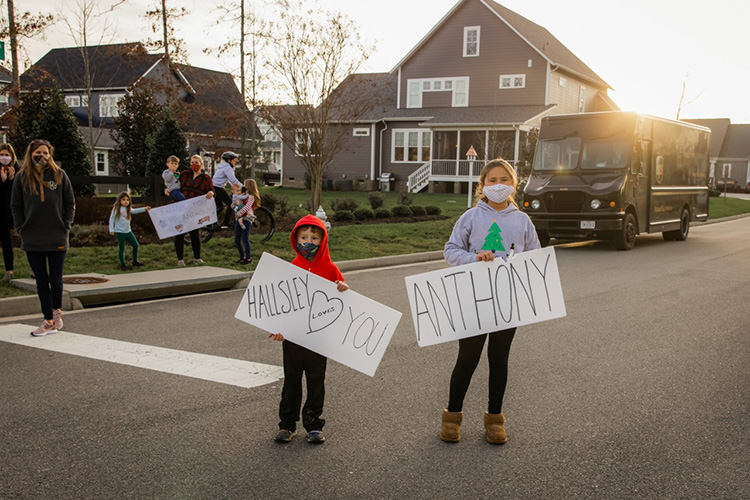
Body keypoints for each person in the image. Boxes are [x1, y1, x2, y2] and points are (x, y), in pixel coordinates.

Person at [440, 158, 541, 444]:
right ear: (482, 185)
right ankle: (452, 417)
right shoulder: (471, 217)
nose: (499, 185)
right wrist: (474, 258)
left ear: (514, 185)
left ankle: (494, 419)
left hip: (508, 302)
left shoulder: (522, 220)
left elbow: (535, 255)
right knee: (467, 359)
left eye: (504, 179)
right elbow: (451, 250)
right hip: (473, 299)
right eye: (492, 180)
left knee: (499, 360)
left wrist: (520, 265)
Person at [268, 215, 349, 444]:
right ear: (296, 239)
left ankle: (314, 423)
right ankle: (287, 425)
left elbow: (342, 300)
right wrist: (278, 328)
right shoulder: (291, 268)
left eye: (314, 237)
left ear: (323, 240)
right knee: (291, 380)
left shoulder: (331, 270)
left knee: (316, 381)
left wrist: (342, 287)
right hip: (293, 337)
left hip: (319, 338)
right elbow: (282, 303)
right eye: (303, 237)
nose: (309, 242)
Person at [10, 139, 75, 337]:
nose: (42, 156)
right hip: (32, 237)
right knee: (41, 280)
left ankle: (56, 312)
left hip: (56, 235)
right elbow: (16, 205)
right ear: (31, 154)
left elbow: (70, 202)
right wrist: (21, 226)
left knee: (55, 280)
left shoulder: (59, 175)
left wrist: (66, 224)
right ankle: (47, 320)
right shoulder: (22, 178)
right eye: (38, 152)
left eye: (45, 152)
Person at [174, 154, 214, 267]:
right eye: (192, 162)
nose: (194, 165)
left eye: (197, 162)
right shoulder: (184, 175)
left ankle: (197, 258)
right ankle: (180, 260)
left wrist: (211, 193)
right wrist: (168, 190)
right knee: (179, 234)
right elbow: (174, 186)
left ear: (201, 164)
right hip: (182, 208)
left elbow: (211, 190)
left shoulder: (206, 179)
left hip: (195, 210)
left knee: (194, 234)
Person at [109, 192, 150, 271]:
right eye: (123, 200)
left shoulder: (128, 209)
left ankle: (135, 261)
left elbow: (135, 211)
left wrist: (144, 209)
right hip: (119, 232)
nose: (126, 201)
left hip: (128, 231)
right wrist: (111, 229)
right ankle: (123, 264)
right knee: (122, 248)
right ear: (120, 200)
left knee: (135, 245)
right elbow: (111, 219)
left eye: (127, 200)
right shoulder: (116, 209)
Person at [0, 143, 18, 281]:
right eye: (2, 155)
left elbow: (17, 193)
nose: (4, 157)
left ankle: (9, 270)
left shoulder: (17, 171)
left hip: (11, 212)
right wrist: (2, 180)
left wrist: (11, 180)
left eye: (7, 155)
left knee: (8, 242)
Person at [233, 179, 260, 265]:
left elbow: (247, 207)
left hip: (246, 219)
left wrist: (239, 213)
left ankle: (248, 258)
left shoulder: (251, 197)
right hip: (239, 219)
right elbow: (237, 203)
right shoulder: (242, 195)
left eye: (245, 185)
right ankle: (242, 256)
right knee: (237, 239)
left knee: (245, 239)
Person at [212, 151, 242, 229]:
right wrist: (243, 187)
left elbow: (229, 181)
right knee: (231, 204)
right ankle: (225, 223)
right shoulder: (227, 168)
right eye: (234, 160)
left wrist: (235, 187)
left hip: (215, 187)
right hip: (218, 188)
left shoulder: (223, 167)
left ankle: (212, 223)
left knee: (220, 207)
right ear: (229, 160)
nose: (235, 162)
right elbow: (233, 180)